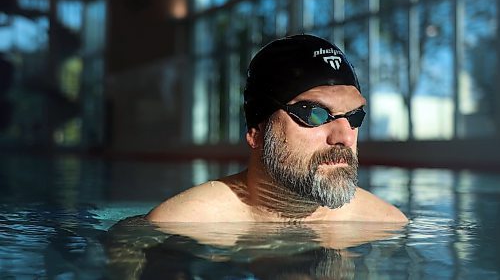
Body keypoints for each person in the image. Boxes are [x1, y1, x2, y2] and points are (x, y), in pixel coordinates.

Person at [147, 34, 408, 223]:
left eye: (354, 116)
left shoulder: (385, 224)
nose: (345, 136)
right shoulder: (182, 225)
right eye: (313, 114)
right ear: (256, 131)